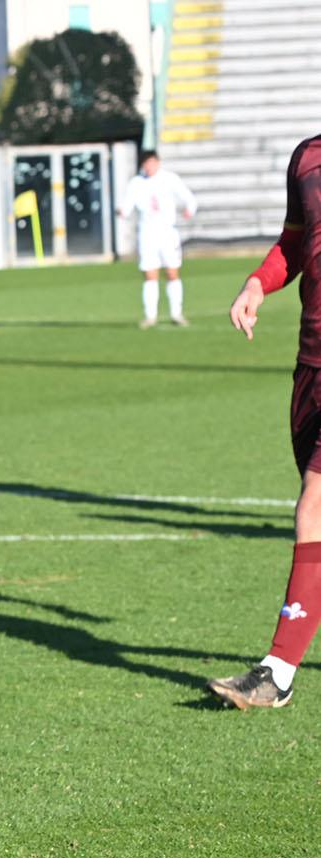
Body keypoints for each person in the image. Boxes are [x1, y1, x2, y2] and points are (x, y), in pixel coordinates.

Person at [208, 133, 321, 709]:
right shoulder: (307, 158)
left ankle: (276, 672)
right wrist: (257, 282)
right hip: (311, 367)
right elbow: (294, 243)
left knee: (315, 505)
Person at [117, 149, 198, 328]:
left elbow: (188, 197)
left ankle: (176, 313)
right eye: (146, 163)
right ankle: (150, 316)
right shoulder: (136, 183)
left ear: (158, 162)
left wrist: (189, 209)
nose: (149, 166)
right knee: (149, 274)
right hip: (147, 233)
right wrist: (121, 211)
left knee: (172, 272)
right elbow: (126, 207)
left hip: (167, 232)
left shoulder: (169, 178)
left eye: (152, 162)